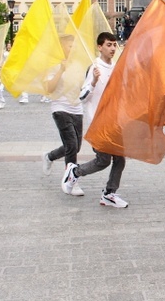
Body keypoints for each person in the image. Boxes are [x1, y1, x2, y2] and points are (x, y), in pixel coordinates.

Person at [62, 32, 128, 208]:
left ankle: (109, 193)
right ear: (100, 47)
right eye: (108, 45)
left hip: (114, 121)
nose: (113, 48)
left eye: (114, 45)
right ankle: (75, 172)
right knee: (103, 160)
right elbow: (82, 98)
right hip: (98, 122)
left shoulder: (116, 67)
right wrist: (93, 81)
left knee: (120, 159)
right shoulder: (94, 68)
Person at [41, 35, 85, 195]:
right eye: (68, 46)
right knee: (72, 146)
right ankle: (71, 182)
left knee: (75, 146)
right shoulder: (53, 64)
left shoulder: (78, 65)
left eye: (74, 46)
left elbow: (81, 87)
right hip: (60, 107)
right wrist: (60, 69)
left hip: (77, 108)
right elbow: (48, 88)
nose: (72, 49)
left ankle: (49, 156)